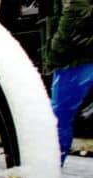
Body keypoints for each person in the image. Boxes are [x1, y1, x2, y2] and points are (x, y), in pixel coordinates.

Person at [43, 0, 93, 166]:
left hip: (75, 59)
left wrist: (56, 50)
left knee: (60, 117)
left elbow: (75, 11)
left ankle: (51, 173)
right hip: (81, 56)